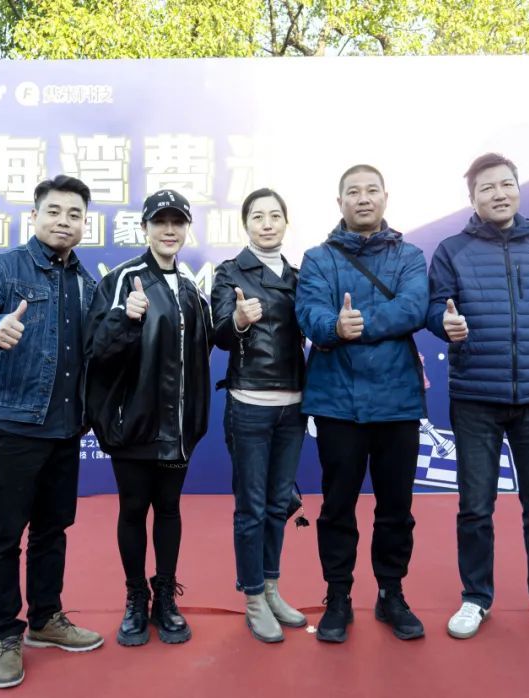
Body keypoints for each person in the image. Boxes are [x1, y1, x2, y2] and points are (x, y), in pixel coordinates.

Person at [426, 153, 529, 647]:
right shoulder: (452, 250)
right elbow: (435, 309)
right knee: (475, 507)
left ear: (518, 189)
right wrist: (445, 324)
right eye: (487, 188)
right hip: (475, 397)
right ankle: (475, 597)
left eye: (506, 184)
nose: (498, 194)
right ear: (472, 198)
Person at [0, 175, 103, 689]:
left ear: (84, 223)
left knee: (51, 530)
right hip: (10, 425)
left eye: (75, 214)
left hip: (65, 428)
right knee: (3, 536)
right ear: (34, 216)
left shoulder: (86, 283)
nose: (64, 221)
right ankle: (4, 634)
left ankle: (45, 618)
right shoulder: (4, 268)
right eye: (54, 211)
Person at [295, 164, 428, 643]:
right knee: (337, 507)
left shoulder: (410, 256)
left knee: (396, 507)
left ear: (385, 198)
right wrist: (332, 326)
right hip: (337, 403)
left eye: (372, 190)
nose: (364, 198)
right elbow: (309, 311)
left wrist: (357, 326)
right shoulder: (317, 258)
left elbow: (413, 308)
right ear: (340, 203)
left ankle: (392, 593)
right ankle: (338, 596)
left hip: (397, 402)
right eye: (354, 191)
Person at [85, 189, 213, 647]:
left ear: (186, 229)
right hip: (133, 425)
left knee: (170, 509)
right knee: (134, 509)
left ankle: (165, 598)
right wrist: (124, 318)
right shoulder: (123, 280)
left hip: (177, 431)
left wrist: (237, 322)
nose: (169, 230)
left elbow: (202, 352)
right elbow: (96, 352)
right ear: (145, 228)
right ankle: (136, 598)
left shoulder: (192, 289)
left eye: (178, 222)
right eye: (161, 222)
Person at [211, 188, 308, 643]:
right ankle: (252, 597)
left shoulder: (299, 275)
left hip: (294, 405)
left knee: (277, 504)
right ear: (245, 224)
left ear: (286, 223)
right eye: (257, 216)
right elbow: (218, 334)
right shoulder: (230, 272)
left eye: (275, 216)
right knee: (251, 507)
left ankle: (271, 588)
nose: (267, 224)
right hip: (249, 402)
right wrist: (239, 320)